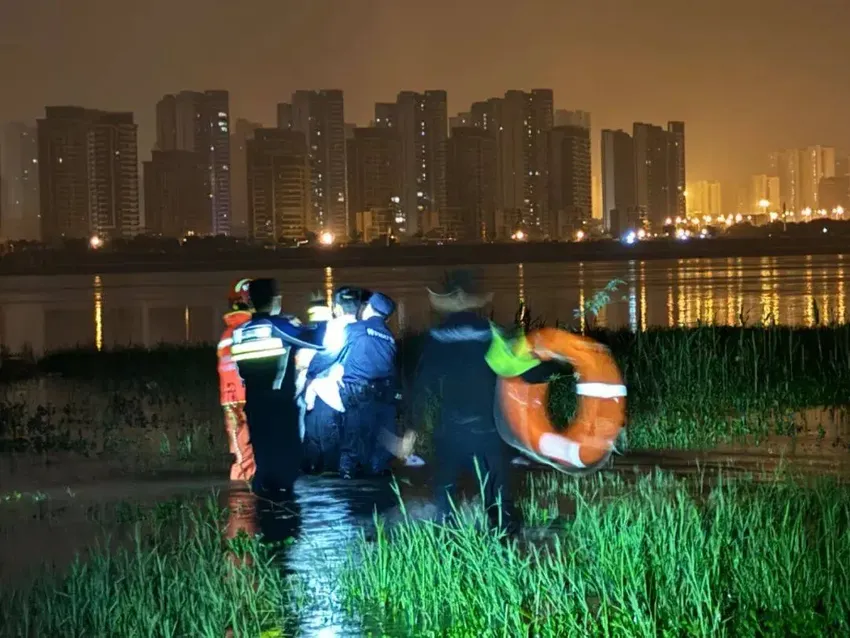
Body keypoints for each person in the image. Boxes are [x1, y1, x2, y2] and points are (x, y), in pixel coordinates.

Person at [411, 269, 517, 532]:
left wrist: (412, 429)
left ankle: (446, 546)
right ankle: (504, 545)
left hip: (451, 429)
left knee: (444, 496)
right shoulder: (493, 334)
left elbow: (423, 386)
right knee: (499, 498)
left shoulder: (437, 338)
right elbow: (515, 373)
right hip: (489, 429)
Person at [231, 278, 324, 499]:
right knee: (286, 464)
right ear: (276, 300)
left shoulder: (239, 333)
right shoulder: (278, 326)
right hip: (280, 407)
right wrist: (318, 308)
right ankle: (284, 517)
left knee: (264, 461)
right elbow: (318, 341)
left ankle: (265, 515)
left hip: (254, 405)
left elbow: (241, 370)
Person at [216, 279, 255, 482]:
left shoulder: (226, 334)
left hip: (230, 399)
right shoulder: (252, 331)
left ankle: (243, 497)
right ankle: (245, 500)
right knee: (253, 451)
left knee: (241, 451)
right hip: (251, 396)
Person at [359, 291, 401, 475]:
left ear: (369, 307)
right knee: (384, 428)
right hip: (387, 390)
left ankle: (363, 469)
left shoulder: (357, 329)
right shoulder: (388, 335)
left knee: (362, 429)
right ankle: (380, 468)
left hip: (363, 390)